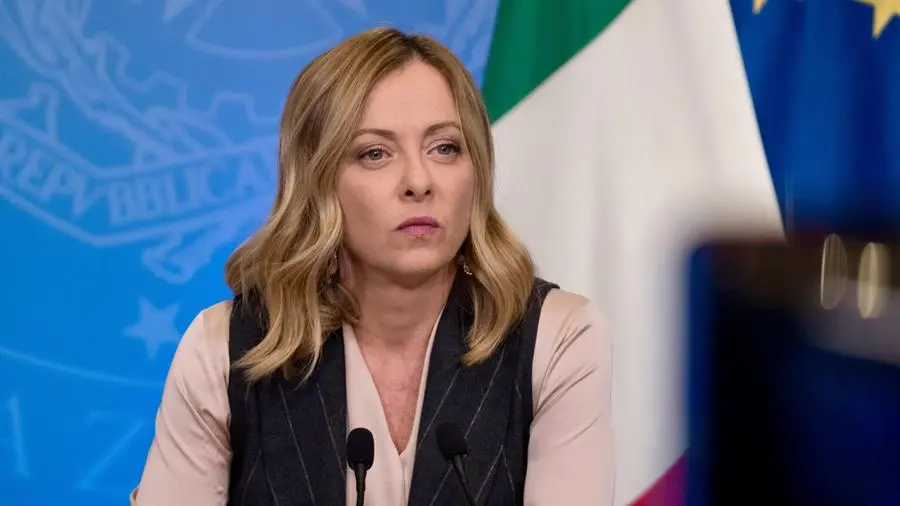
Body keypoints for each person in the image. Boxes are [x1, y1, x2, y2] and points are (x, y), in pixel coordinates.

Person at [131, 27, 614, 506]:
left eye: (445, 147)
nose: (419, 181)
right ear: (319, 181)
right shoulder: (224, 349)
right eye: (375, 154)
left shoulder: (556, 337)